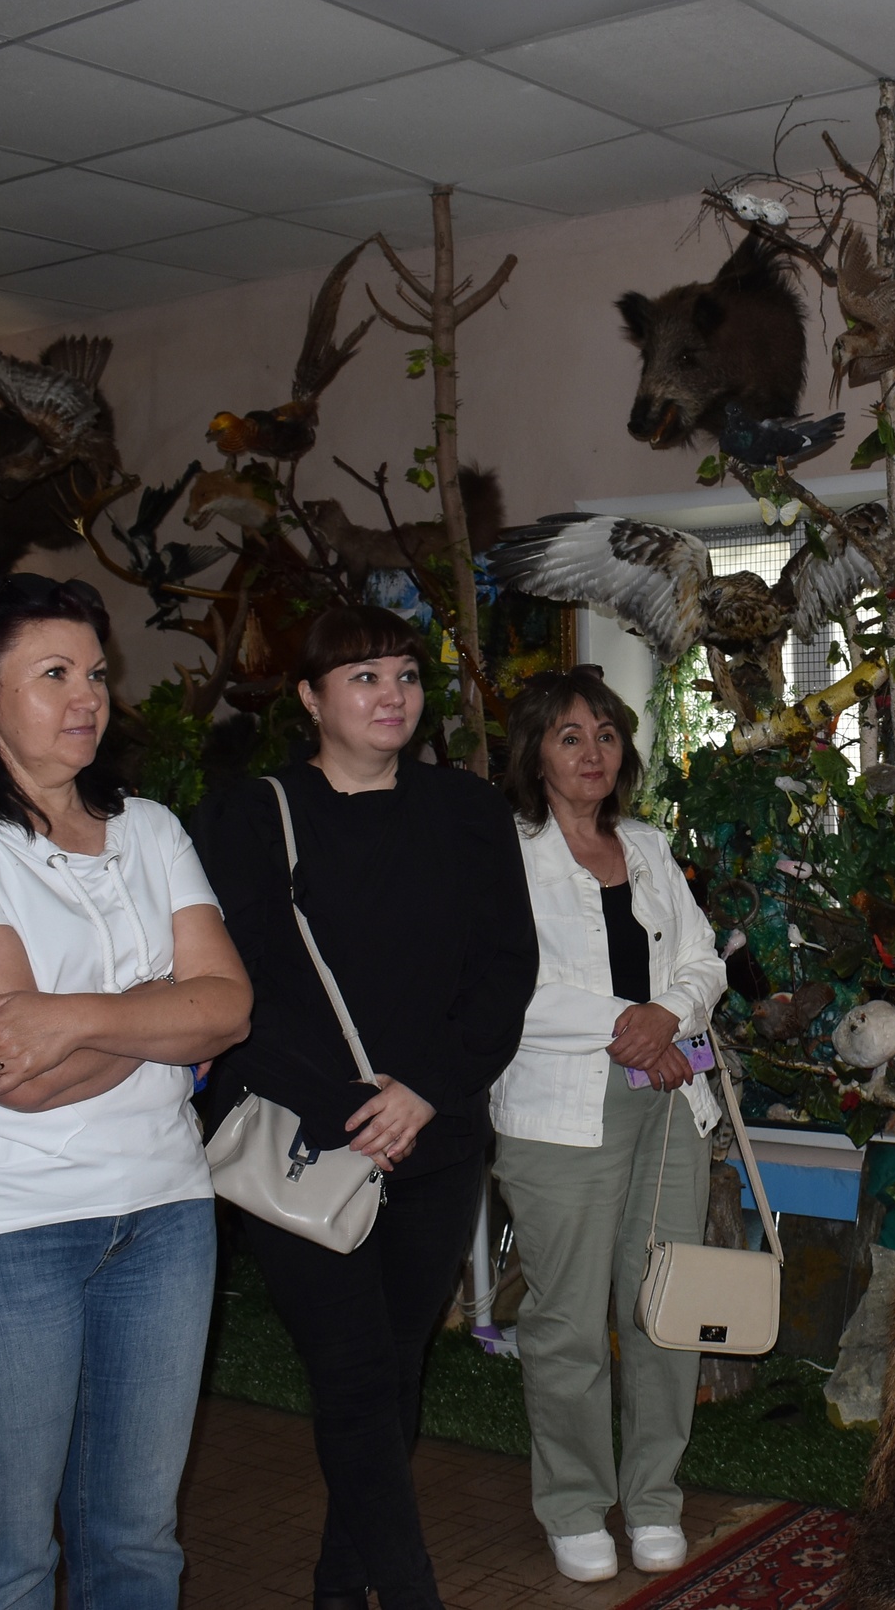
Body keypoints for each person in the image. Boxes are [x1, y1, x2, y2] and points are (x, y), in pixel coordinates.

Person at [0, 576, 253, 1610]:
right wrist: (164, 1014)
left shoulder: (151, 828)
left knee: (137, 1543)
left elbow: (230, 1009)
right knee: (6, 1566)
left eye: (94, 673)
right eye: (52, 674)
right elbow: (12, 1077)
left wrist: (74, 1014)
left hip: (165, 1214)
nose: (86, 696)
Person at [193, 606, 536, 1610]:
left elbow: (502, 969)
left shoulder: (467, 809)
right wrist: (355, 1107)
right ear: (308, 698)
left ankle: (343, 1583)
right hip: (304, 1138)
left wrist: (423, 1091)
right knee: (348, 1372)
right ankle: (411, 1590)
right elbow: (235, 984)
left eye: (404, 675)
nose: (392, 696)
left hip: (436, 1134)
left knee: (394, 1376)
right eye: (362, 678)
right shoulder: (250, 812)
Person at [490, 668, 728, 1585]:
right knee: (568, 1321)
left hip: (669, 1102)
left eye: (606, 735)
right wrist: (629, 1028)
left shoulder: (650, 846)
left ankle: (655, 1497)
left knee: (666, 1306)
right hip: (560, 1111)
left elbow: (703, 960)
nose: (594, 753)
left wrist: (665, 1019)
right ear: (535, 755)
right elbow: (504, 990)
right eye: (570, 737)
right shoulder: (507, 855)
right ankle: (576, 1505)